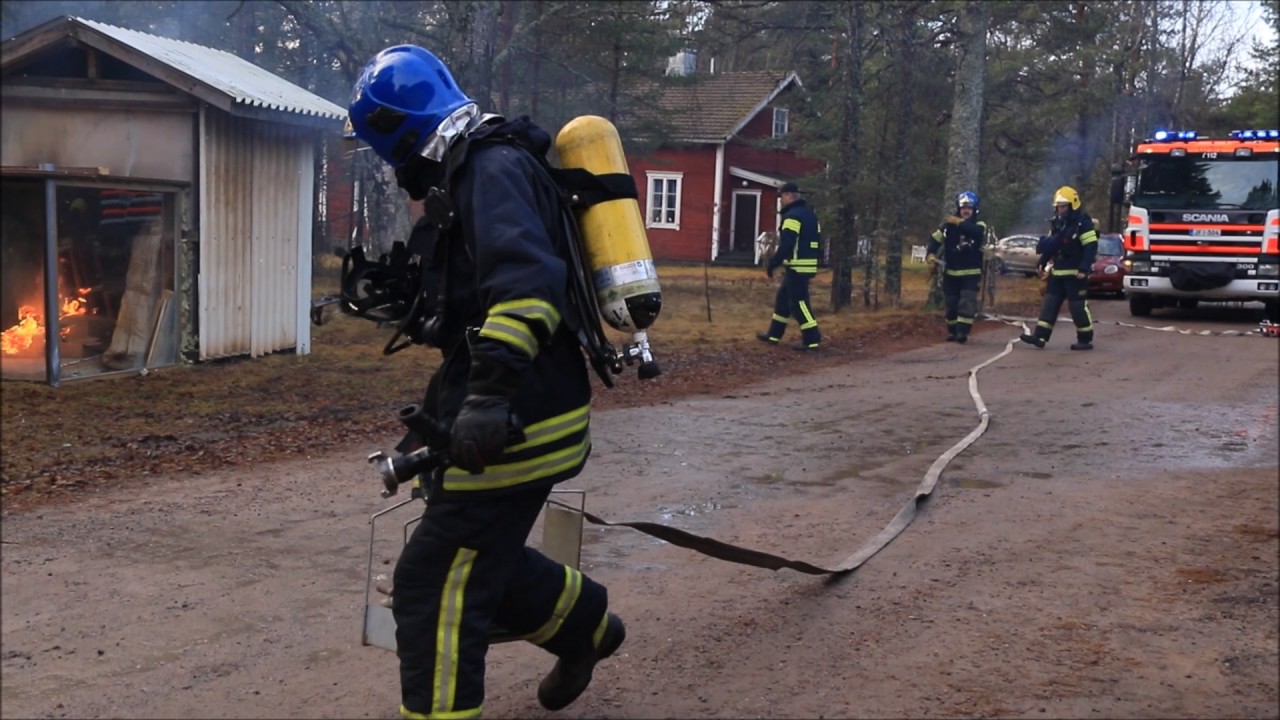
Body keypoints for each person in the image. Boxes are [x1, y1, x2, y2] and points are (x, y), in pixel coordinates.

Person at [346, 44, 625, 719]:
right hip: (521, 402)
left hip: (519, 413)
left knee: (430, 585)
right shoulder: (476, 168)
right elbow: (481, 292)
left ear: (396, 133)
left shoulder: (488, 169)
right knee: (478, 555)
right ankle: (587, 626)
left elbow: (528, 290)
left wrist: (490, 395)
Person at [1020, 185, 1098, 350]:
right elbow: (1051, 245)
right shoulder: (1057, 224)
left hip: (1076, 273)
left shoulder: (1082, 223)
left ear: (1072, 205)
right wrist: (1043, 260)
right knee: (1050, 304)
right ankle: (1040, 337)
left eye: (1063, 206)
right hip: (1058, 272)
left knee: (1077, 307)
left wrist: (1084, 269)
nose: (1060, 210)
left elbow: (1091, 247)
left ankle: (1085, 339)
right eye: (1058, 206)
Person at [756, 181, 823, 351]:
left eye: (781, 197)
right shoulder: (810, 215)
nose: (780, 201)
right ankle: (774, 335)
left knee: (799, 304)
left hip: (797, 266)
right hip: (806, 265)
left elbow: (787, 244)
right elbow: (818, 241)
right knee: (782, 301)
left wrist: (773, 262)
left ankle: (811, 339)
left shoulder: (792, 217)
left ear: (788, 196)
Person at [926, 191, 988, 343]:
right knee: (951, 304)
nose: (966, 211)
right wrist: (931, 255)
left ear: (975, 210)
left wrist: (959, 223)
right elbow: (934, 240)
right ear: (958, 208)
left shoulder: (978, 225)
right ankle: (952, 331)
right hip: (951, 272)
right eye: (963, 208)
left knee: (966, 302)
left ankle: (962, 332)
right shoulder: (948, 227)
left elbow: (976, 233)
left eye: (969, 208)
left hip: (971, 273)